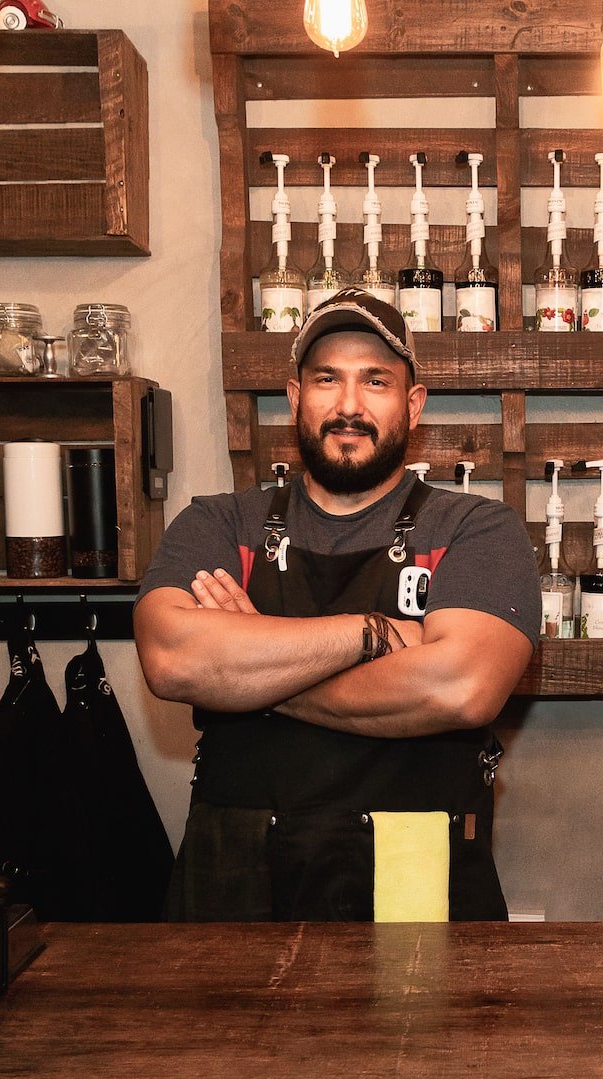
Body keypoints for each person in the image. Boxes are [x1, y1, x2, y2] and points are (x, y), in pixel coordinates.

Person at [134, 291, 541, 921]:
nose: (349, 405)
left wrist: (248, 670)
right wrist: (374, 632)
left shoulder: (476, 529)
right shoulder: (216, 523)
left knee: (416, 1021)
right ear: (296, 397)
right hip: (238, 878)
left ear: (413, 404)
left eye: (375, 381)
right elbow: (172, 661)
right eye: (328, 379)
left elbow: (462, 686)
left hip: (417, 872)